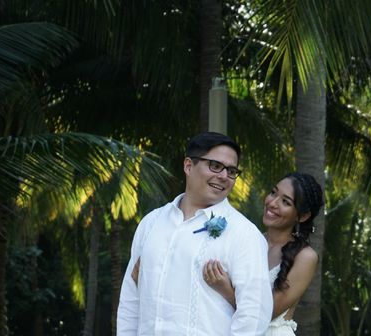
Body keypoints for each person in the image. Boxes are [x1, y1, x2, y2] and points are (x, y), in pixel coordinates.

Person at [117, 132, 273, 335]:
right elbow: (131, 298)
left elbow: (254, 315)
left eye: (232, 171)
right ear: (188, 166)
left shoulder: (244, 234)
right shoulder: (151, 223)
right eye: (215, 166)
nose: (224, 176)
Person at [202, 172, 324, 336]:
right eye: (273, 193)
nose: (272, 203)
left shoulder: (305, 257)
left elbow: (266, 313)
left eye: (285, 202)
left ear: (302, 216)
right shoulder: (250, 240)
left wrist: (225, 289)